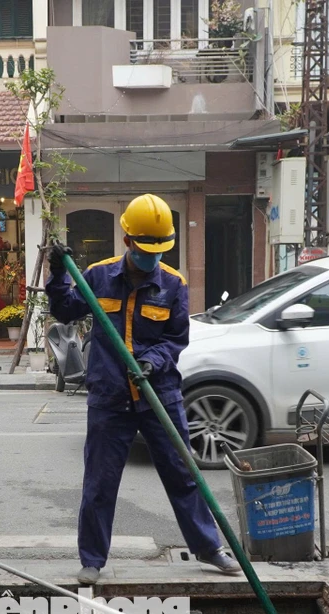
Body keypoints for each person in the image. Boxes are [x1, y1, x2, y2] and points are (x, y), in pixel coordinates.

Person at [46, 194, 241, 585]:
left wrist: (153, 360)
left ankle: (208, 547)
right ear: (127, 241)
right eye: (145, 247)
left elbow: (176, 338)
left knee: (184, 475)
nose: (152, 256)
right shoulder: (99, 276)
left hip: (159, 396)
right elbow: (66, 311)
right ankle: (92, 559)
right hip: (110, 397)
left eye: (158, 249)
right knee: (100, 482)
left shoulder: (173, 284)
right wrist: (57, 272)